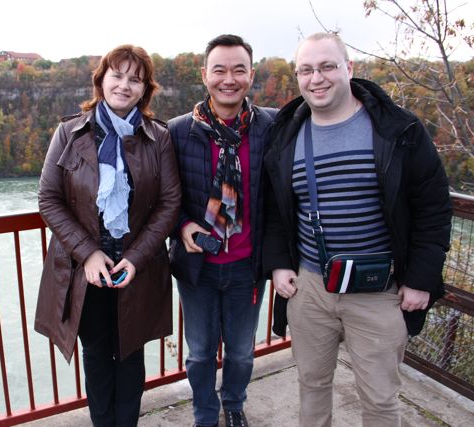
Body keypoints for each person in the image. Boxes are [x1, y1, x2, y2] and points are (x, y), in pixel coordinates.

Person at [262, 32, 452, 426]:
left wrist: (420, 279)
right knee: (312, 385)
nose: (316, 78)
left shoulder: (397, 130)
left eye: (327, 66)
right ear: (297, 77)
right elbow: (277, 210)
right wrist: (279, 264)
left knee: (380, 399)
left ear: (349, 68)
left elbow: (433, 209)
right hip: (311, 288)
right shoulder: (287, 133)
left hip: (379, 291)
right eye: (306, 70)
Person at [34, 44, 181, 427]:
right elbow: (48, 199)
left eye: (135, 79)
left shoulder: (158, 137)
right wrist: (88, 253)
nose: (124, 85)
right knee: (97, 358)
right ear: (101, 80)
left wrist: (136, 257)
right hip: (85, 272)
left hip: (137, 269)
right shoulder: (69, 133)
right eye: (117, 75)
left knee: (131, 358)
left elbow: (169, 203)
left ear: (145, 89)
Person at [168, 34, 277, 427]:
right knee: (199, 353)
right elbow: (164, 197)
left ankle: (233, 405)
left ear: (251, 74)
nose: (228, 79)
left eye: (238, 70)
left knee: (242, 352)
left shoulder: (271, 126)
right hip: (198, 266)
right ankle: (205, 413)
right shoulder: (178, 132)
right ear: (204, 75)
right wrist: (182, 225)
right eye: (219, 70)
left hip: (248, 266)